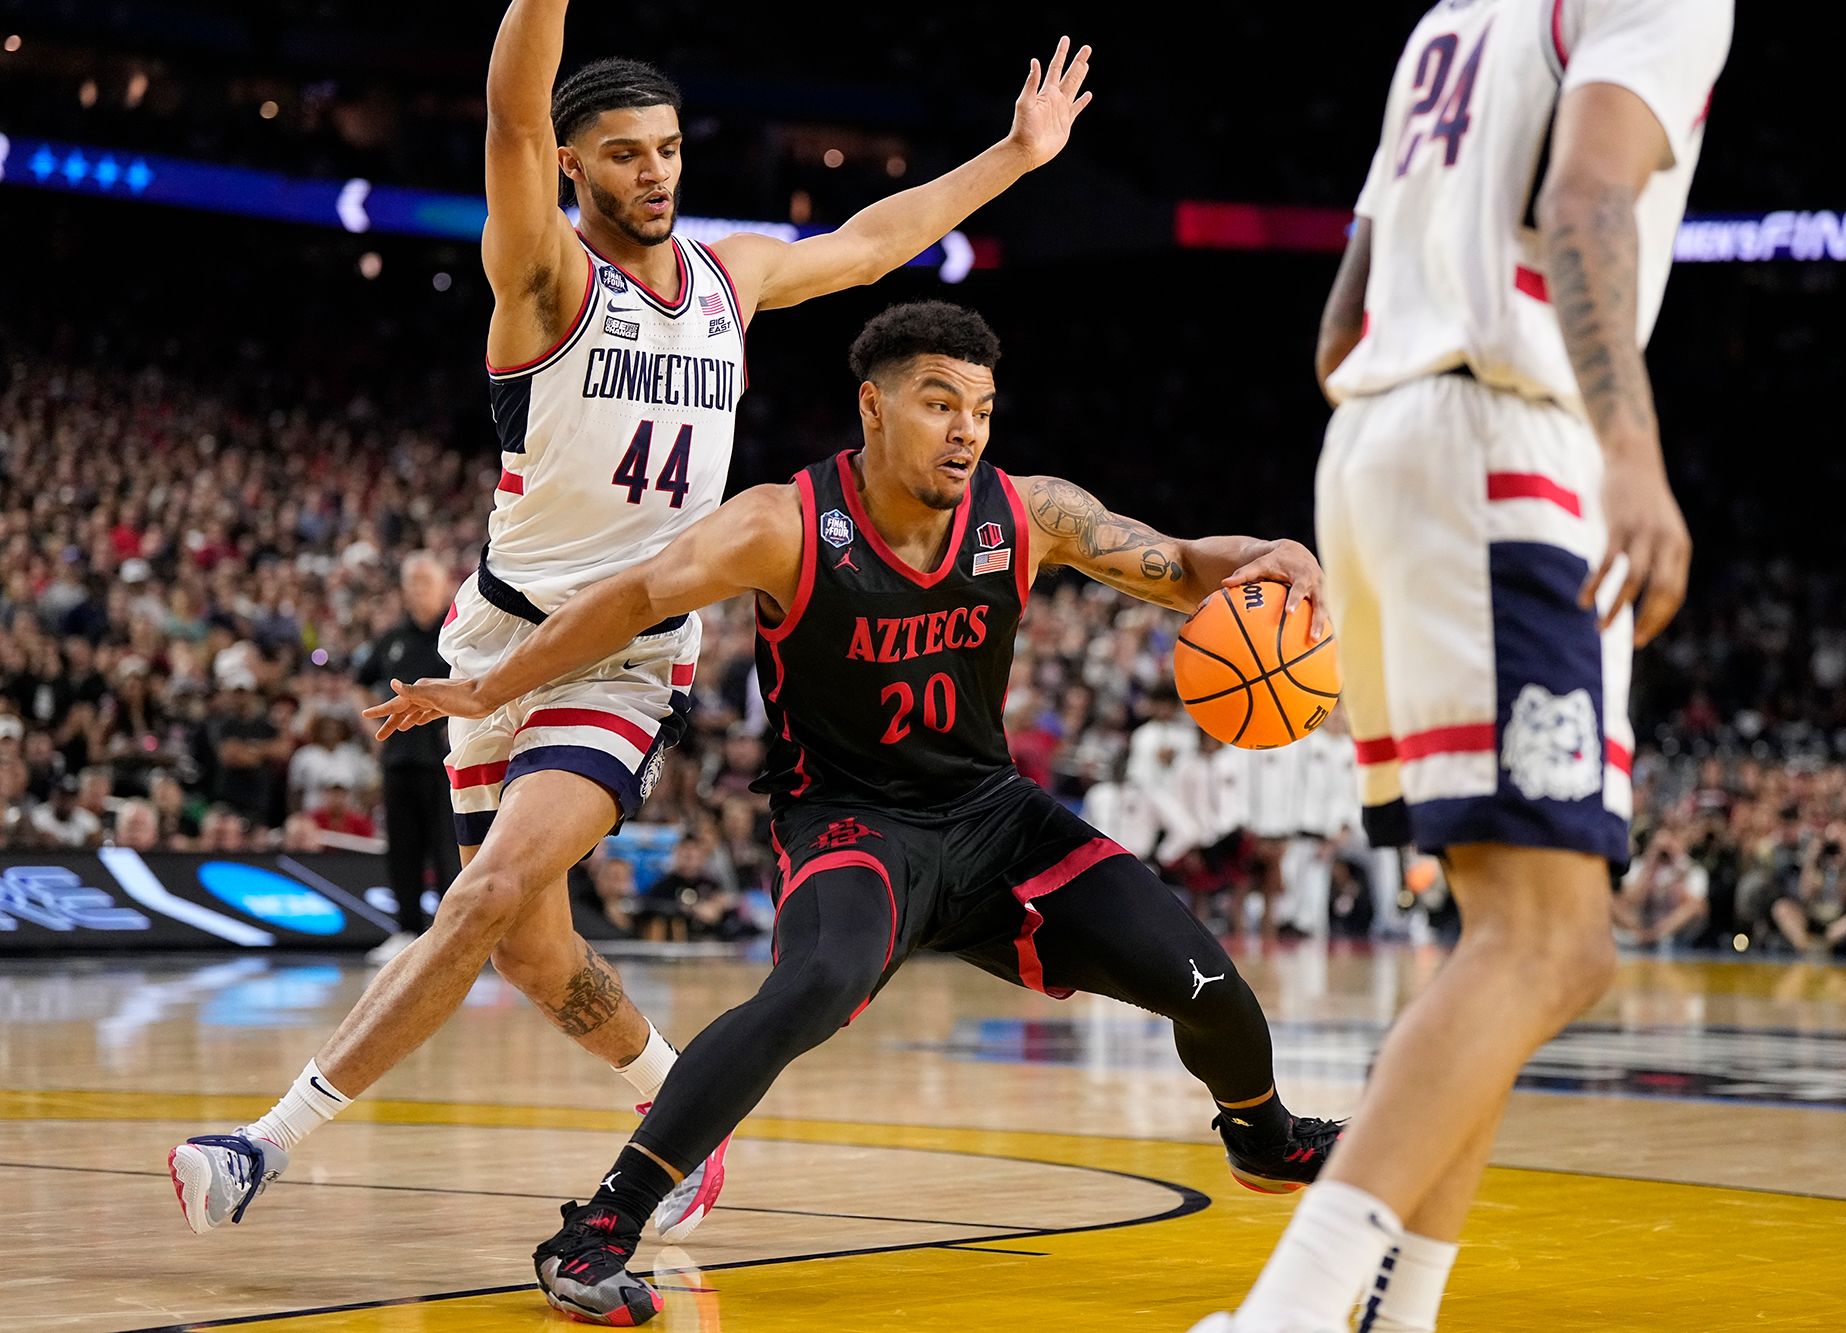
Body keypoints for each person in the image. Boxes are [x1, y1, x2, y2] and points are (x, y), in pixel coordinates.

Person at [167, 0, 1095, 1243]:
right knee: (533, 954)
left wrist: (1016, 156)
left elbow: (875, 242)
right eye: (621, 152)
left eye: (664, 148)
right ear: (572, 165)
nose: (652, 172)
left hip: (628, 656)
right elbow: (507, 106)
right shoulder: (544, 277)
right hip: (496, 638)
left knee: (487, 891)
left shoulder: (729, 278)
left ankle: (260, 1144)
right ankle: (678, 1112)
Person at [368, 303, 1346, 1326]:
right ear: (873, 408)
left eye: (979, 407)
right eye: (937, 403)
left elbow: (1186, 562)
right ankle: (600, 1227)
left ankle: (1263, 1137)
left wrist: (1268, 552)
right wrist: (489, 687)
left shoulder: (1030, 513)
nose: (965, 429)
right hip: (846, 823)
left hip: (990, 815)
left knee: (1208, 985)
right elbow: (631, 596)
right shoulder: (783, 523)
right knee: (816, 982)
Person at [1199, 2, 1734, 1329]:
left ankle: (1403, 1311)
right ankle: (1289, 1316)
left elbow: (1340, 324)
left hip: (1381, 442)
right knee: (1556, 944)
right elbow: (1588, 192)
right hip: (1507, 438)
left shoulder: (1454, 19)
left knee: (1499, 938)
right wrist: (1626, 443)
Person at [351, 551, 460, 963]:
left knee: (447, 849)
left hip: (445, 762)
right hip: (398, 760)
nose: (417, 590)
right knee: (402, 851)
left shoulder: (456, 634)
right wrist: (369, 729)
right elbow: (359, 684)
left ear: (443, 586)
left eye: (425, 582)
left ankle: (450, 935)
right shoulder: (391, 640)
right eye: (411, 582)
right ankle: (407, 931)